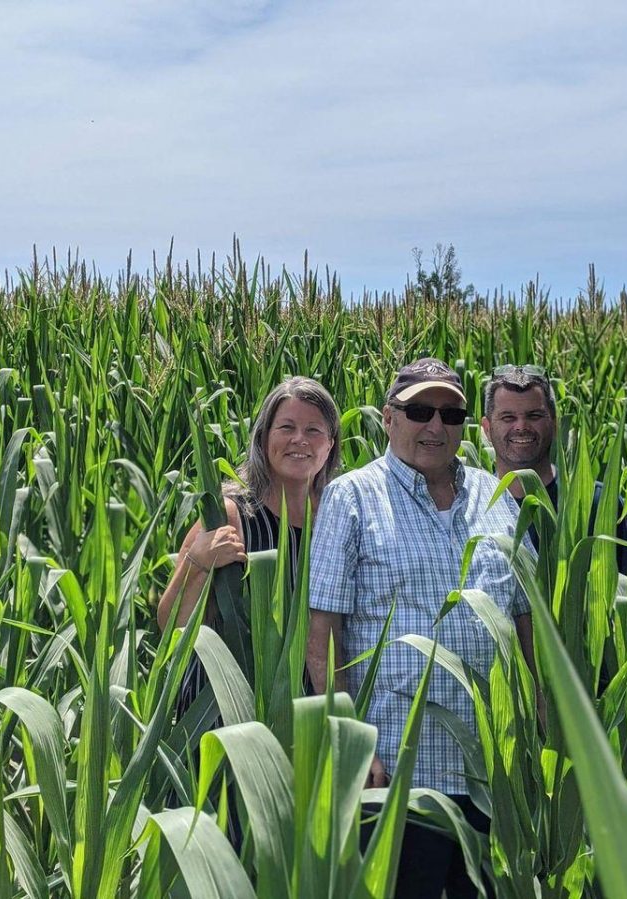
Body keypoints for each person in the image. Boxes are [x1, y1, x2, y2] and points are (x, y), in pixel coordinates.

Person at [307, 358, 537, 899]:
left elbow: (525, 623)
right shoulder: (352, 498)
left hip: (490, 776)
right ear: (389, 419)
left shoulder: (499, 496)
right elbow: (322, 641)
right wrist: (355, 747)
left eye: (451, 413)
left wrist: (536, 732)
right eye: (419, 411)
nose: (436, 426)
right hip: (396, 775)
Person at [158, 376, 341, 715]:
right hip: (225, 713)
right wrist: (196, 564)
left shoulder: (338, 519)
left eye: (314, 430)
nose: (299, 439)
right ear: (263, 438)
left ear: (330, 444)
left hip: (304, 713)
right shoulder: (232, 514)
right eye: (286, 427)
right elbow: (172, 625)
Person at [481, 364, 627, 582]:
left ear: (555, 424)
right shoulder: (473, 508)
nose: (521, 426)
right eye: (508, 417)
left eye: (534, 415)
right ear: (486, 428)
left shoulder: (599, 505)